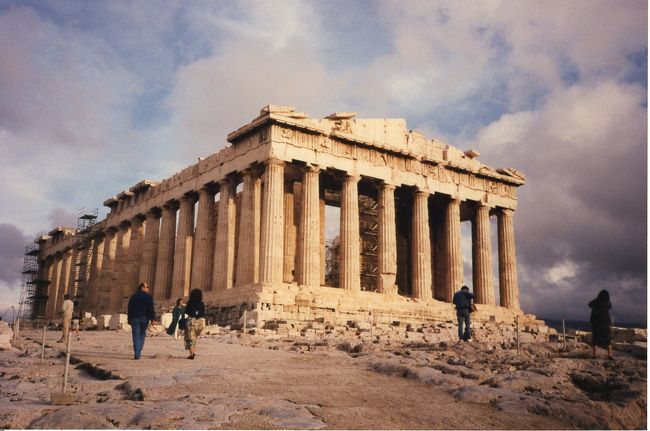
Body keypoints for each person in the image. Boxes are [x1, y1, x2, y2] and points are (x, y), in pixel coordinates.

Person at [127, 282, 156, 360]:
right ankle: (138, 350)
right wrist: (153, 318)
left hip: (135, 318)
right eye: (147, 287)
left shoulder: (133, 297)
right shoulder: (148, 297)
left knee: (136, 335)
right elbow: (151, 308)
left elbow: (130, 309)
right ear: (142, 288)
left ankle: (137, 353)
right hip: (144, 319)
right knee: (142, 334)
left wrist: (129, 319)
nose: (148, 289)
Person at [589, 289, 613, 360]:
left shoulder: (596, 302)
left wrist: (596, 300)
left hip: (596, 323)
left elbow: (589, 304)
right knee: (608, 340)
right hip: (605, 323)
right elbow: (610, 306)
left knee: (595, 339)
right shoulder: (608, 303)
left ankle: (594, 356)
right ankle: (610, 355)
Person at [184, 288, 205, 360]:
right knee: (194, 338)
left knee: (190, 338)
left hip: (191, 322)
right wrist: (197, 314)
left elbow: (186, 311)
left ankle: (191, 353)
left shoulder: (190, 302)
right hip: (199, 322)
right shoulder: (202, 304)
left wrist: (193, 313)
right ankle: (192, 352)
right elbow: (202, 313)